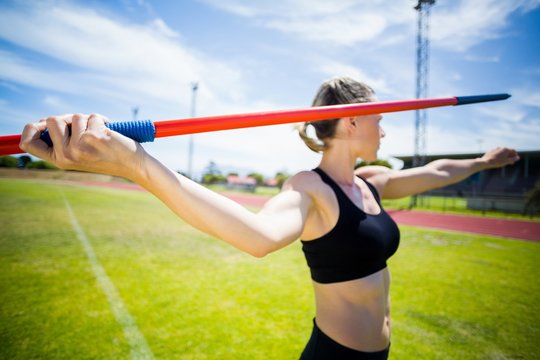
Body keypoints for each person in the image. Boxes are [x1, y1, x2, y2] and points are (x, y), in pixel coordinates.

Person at [19, 77, 519, 359]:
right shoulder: (308, 189)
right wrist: (135, 163)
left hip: (379, 354)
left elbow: (435, 171)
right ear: (351, 120)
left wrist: (481, 162)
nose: (385, 131)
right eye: (380, 118)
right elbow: (256, 236)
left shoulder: (373, 182)